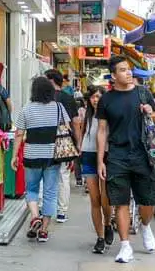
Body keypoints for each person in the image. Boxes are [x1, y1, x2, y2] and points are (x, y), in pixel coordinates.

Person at [96, 56, 155, 263]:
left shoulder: (143, 93)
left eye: (129, 69)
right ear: (114, 75)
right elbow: (102, 130)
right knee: (120, 202)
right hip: (117, 155)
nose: (128, 73)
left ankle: (145, 225)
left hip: (143, 154)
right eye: (123, 70)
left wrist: (151, 112)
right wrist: (100, 160)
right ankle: (125, 246)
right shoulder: (106, 99)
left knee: (148, 199)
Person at [11, 76, 70, 243]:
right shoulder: (58, 108)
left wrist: (15, 155)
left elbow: (19, 134)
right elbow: (67, 130)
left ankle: (35, 216)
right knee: (51, 193)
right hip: (52, 157)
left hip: (32, 155)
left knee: (31, 190)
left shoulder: (26, 109)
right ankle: (44, 231)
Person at [78, 86, 115, 253]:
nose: (95, 100)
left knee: (106, 198)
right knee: (94, 199)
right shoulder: (86, 114)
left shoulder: (109, 115)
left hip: (107, 156)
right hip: (88, 156)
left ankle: (108, 224)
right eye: (93, 97)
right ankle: (100, 237)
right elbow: (82, 134)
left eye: (99, 97)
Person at [46, 69, 78, 222]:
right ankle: (62, 211)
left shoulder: (44, 98)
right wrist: (77, 143)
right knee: (63, 176)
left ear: (51, 80)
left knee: (46, 176)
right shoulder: (68, 98)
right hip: (65, 142)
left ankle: (45, 209)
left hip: (46, 141)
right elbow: (75, 122)